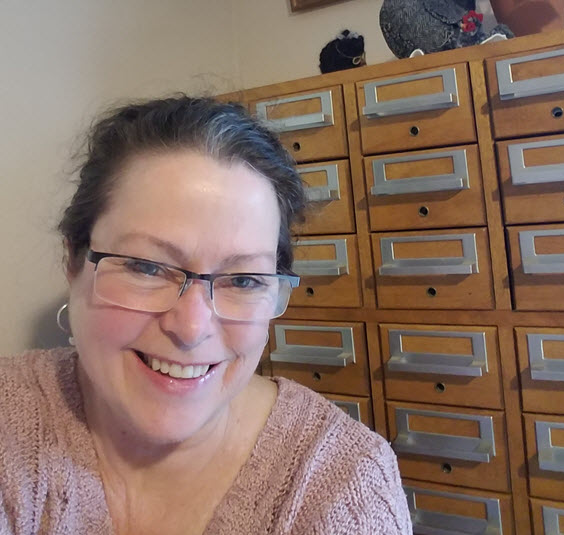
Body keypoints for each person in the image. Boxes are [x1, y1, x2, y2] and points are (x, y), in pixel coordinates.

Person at [0, 95, 412, 534]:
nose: (192, 328)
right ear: (73, 262)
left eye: (244, 280)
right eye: (145, 267)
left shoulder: (346, 486)